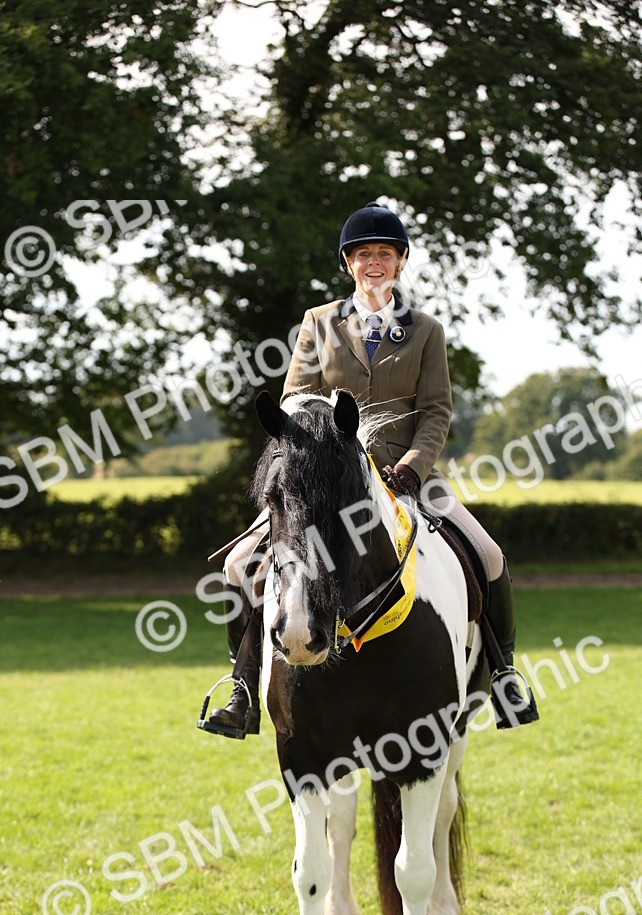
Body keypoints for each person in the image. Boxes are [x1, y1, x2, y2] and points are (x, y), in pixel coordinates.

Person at [199, 201, 539, 738]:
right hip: (327, 484)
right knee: (239, 567)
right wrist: (318, 461)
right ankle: (240, 688)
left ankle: (503, 676)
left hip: (407, 478)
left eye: (384, 253)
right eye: (363, 254)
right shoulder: (319, 323)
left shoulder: (426, 330)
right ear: (348, 263)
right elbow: (295, 400)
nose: (373, 263)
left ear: (400, 262)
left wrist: (412, 466)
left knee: (490, 556)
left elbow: (436, 411)